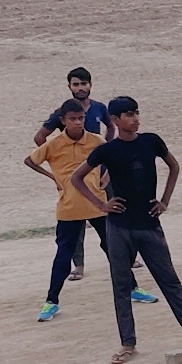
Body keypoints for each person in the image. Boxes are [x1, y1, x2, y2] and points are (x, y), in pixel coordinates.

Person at [71, 96, 182, 364]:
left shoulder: (151, 141)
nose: (135, 119)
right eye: (128, 115)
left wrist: (165, 201)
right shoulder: (107, 150)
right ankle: (127, 343)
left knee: (170, 280)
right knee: (121, 285)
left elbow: (174, 166)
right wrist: (101, 204)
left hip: (150, 224)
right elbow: (76, 178)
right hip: (118, 227)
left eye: (136, 113)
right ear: (116, 120)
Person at [25, 100, 151, 322]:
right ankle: (51, 302)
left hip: (98, 205)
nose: (77, 123)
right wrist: (53, 177)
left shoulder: (96, 140)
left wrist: (104, 179)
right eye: (72, 119)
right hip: (69, 208)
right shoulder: (53, 145)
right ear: (63, 121)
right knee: (63, 256)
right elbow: (30, 160)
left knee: (114, 250)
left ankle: (133, 288)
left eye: (81, 118)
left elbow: (115, 160)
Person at [34, 67, 109, 283]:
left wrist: (109, 151)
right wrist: (57, 165)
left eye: (83, 83)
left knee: (109, 215)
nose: (80, 87)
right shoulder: (63, 112)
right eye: (75, 84)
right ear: (69, 87)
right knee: (75, 220)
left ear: (90, 85)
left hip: (99, 171)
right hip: (74, 175)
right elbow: (41, 138)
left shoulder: (98, 108)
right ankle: (79, 265)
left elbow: (110, 127)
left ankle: (126, 258)